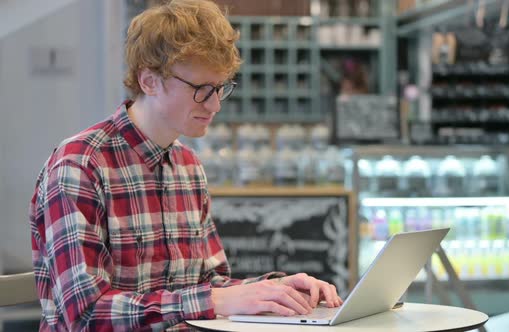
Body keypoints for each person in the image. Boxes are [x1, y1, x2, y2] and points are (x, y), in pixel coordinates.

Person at [28, 1, 342, 330]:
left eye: (221, 88)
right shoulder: (79, 165)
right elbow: (84, 314)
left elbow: (210, 286)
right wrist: (215, 300)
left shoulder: (187, 165)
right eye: (202, 90)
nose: (216, 104)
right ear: (149, 81)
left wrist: (275, 290)